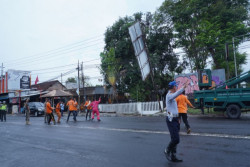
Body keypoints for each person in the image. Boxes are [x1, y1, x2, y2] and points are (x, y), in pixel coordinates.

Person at [164, 81, 187, 162]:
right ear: (173, 87)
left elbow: (174, 108)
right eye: (176, 86)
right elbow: (176, 94)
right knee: (176, 139)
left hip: (175, 119)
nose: (176, 87)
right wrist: (183, 87)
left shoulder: (171, 97)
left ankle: (173, 156)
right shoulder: (169, 95)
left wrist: (178, 118)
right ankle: (167, 150)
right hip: (170, 120)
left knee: (174, 138)